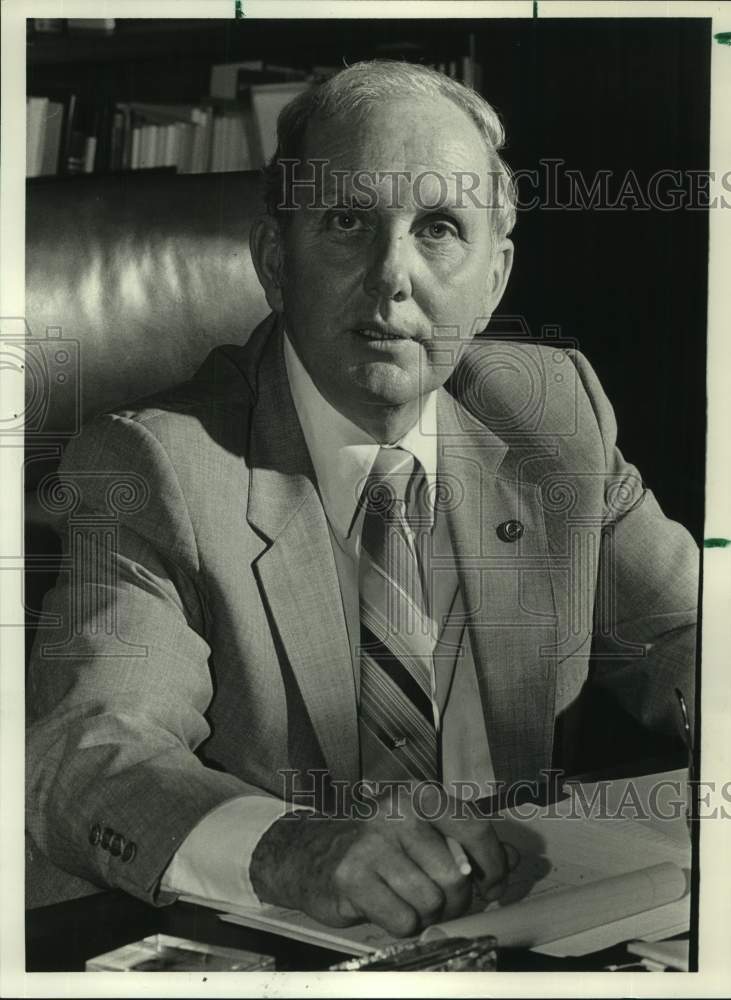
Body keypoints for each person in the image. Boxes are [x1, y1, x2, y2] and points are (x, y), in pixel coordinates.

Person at [26, 61, 698, 937]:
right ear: (276, 258)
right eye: (347, 222)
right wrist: (298, 849)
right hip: (275, 942)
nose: (393, 276)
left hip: (535, 924)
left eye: (440, 229)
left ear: (494, 278)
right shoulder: (157, 468)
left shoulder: (551, 417)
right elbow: (88, 758)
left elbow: (686, 632)